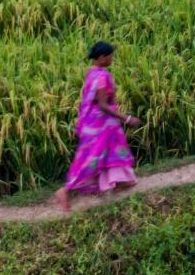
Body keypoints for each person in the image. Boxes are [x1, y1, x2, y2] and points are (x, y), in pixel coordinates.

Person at [54, 41, 141, 211]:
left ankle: (116, 182)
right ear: (102, 58)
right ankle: (64, 191)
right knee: (91, 157)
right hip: (100, 123)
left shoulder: (92, 72)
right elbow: (103, 105)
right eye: (110, 56)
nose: (112, 59)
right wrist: (127, 118)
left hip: (97, 122)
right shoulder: (101, 77)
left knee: (108, 152)